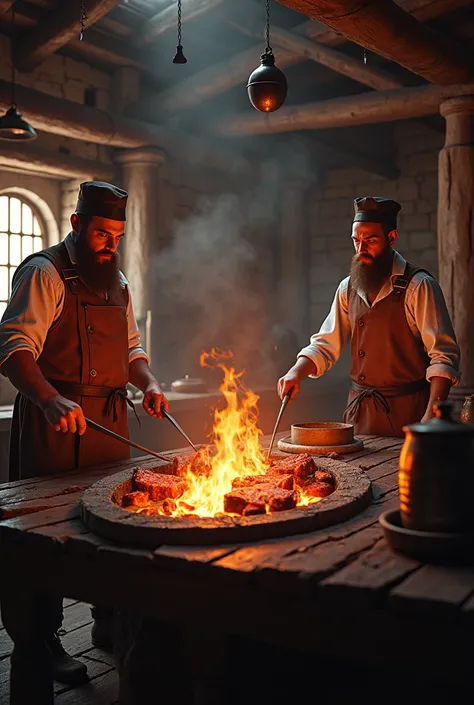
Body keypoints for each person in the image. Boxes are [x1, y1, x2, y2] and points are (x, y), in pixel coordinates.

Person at [0, 181, 169, 693]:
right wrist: (51, 399)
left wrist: (150, 382)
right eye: (100, 233)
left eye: (116, 235)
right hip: (58, 425)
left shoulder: (116, 281)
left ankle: (106, 619)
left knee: (115, 525)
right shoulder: (44, 272)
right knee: (47, 541)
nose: (108, 244)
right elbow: (12, 348)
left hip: (110, 424)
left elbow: (132, 350)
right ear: (76, 224)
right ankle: (43, 642)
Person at [278, 196, 460, 437]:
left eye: (370, 240)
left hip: (410, 416)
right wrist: (295, 372)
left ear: (391, 238)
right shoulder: (348, 288)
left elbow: (443, 358)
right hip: (359, 416)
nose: (361, 249)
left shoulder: (418, 287)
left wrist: (429, 420)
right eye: (356, 240)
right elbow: (325, 345)